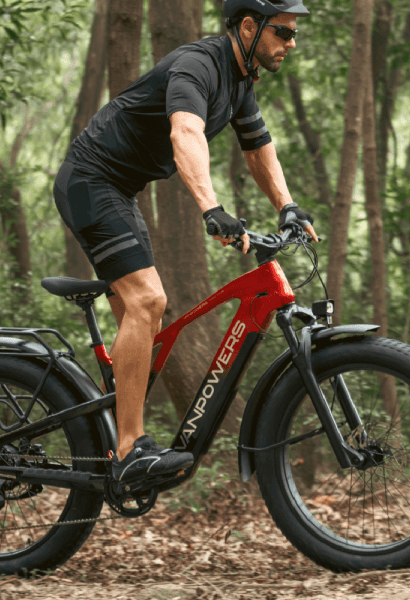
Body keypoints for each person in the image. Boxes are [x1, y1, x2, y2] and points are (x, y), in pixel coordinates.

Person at [53, 0, 319, 484]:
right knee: (148, 300)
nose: (290, 44)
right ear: (247, 27)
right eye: (282, 32)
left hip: (118, 190)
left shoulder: (241, 81)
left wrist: (288, 206)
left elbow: (258, 147)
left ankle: (110, 438)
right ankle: (129, 449)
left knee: (146, 320)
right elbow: (186, 131)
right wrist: (211, 209)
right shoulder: (198, 66)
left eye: (293, 34)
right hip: (91, 182)